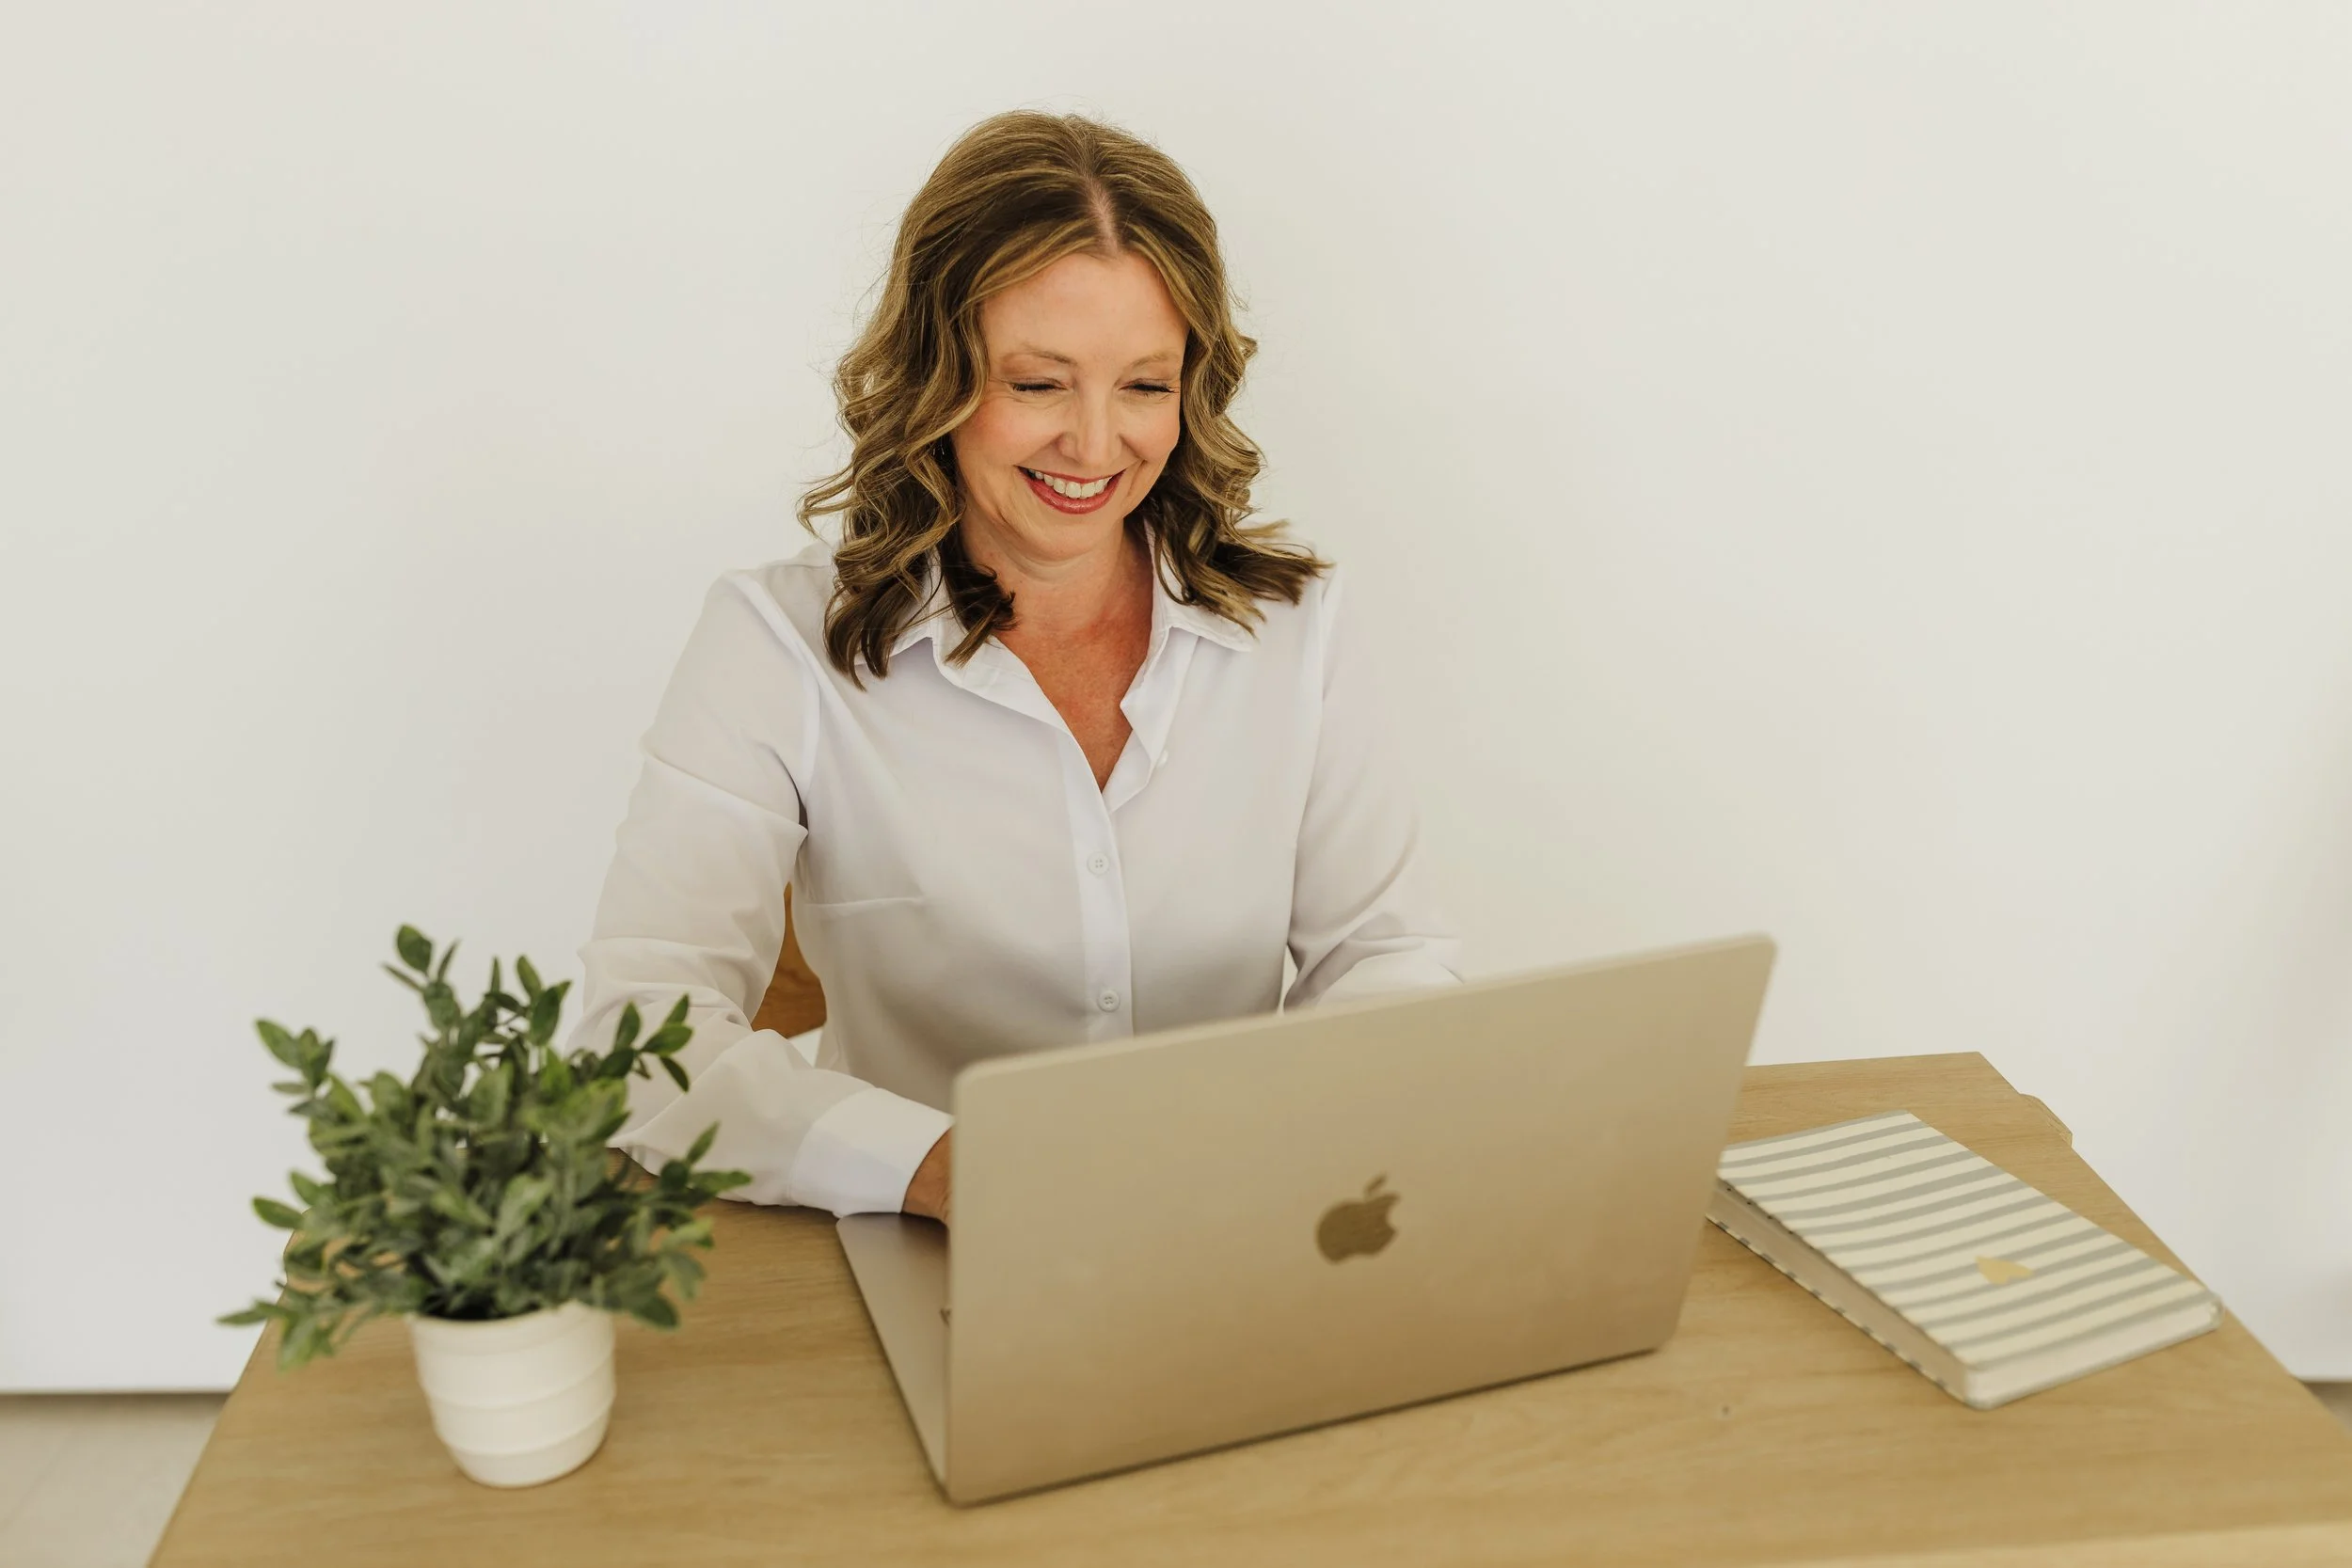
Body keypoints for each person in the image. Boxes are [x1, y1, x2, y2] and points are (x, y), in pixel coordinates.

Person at [568, 110, 1459, 1228]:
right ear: (934, 380)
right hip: (929, 1247)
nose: (1096, 445)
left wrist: (1290, 1138)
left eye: (1145, 384)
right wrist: (944, 1166)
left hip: (1246, 1235)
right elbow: (633, 1034)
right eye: (1039, 384)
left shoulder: (1298, 632)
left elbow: (1389, 959)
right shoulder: (775, 641)